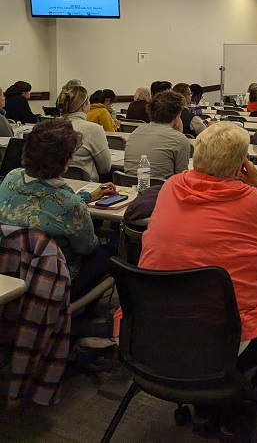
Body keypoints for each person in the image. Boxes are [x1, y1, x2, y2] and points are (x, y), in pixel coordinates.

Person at [138, 122, 257, 439]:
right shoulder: (251, 200)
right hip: (219, 337)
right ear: (241, 164)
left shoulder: (171, 187)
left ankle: (216, 407)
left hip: (154, 327)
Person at [0, 118, 117, 300]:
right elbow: (86, 247)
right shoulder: (70, 204)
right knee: (107, 251)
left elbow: (41, 202)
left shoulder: (11, 178)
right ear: (65, 160)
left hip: (9, 271)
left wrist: (88, 197)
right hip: (52, 282)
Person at [124, 90, 190, 180]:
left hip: (129, 187)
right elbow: (181, 179)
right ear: (177, 116)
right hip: (161, 191)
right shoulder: (180, 140)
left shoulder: (135, 132)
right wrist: (179, 133)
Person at [57, 84, 112, 181]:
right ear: (84, 106)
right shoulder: (94, 130)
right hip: (87, 186)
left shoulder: (52, 126)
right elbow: (105, 168)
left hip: (56, 182)